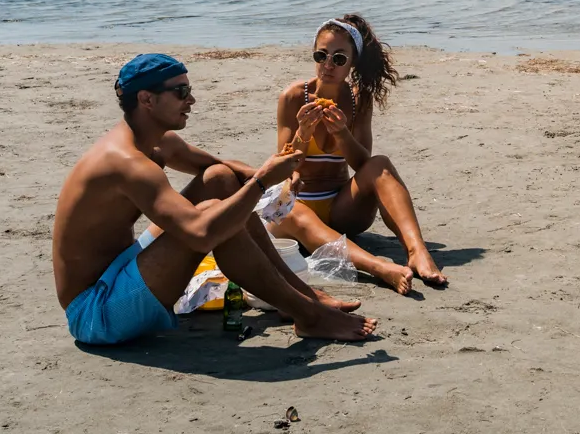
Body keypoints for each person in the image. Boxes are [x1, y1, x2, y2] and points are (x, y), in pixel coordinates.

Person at [51, 52, 378, 346]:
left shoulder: (155, 142)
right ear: (147, 99)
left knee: (219, 181)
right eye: (180, 92)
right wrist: (263, 178)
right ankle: (308, 315)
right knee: (215, 217)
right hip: (96, 312)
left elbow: (218, 170)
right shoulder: (127, 163)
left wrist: (278, 174)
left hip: (119, 269)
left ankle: (299, 294)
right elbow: (201, 233)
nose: (191, 99)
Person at [267, 16, 448, 293]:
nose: (328, 65)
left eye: (339, 59)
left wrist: (342, 133)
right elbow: (284, 167)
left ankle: (417, 251)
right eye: (321, 55)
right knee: (293, 212)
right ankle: (378, 267)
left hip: (342, 210)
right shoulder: (292, 97)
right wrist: (303, 133)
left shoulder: (358, 98)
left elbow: (363, 165)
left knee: (380, 164)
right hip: (297, 206)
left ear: (352, 63)